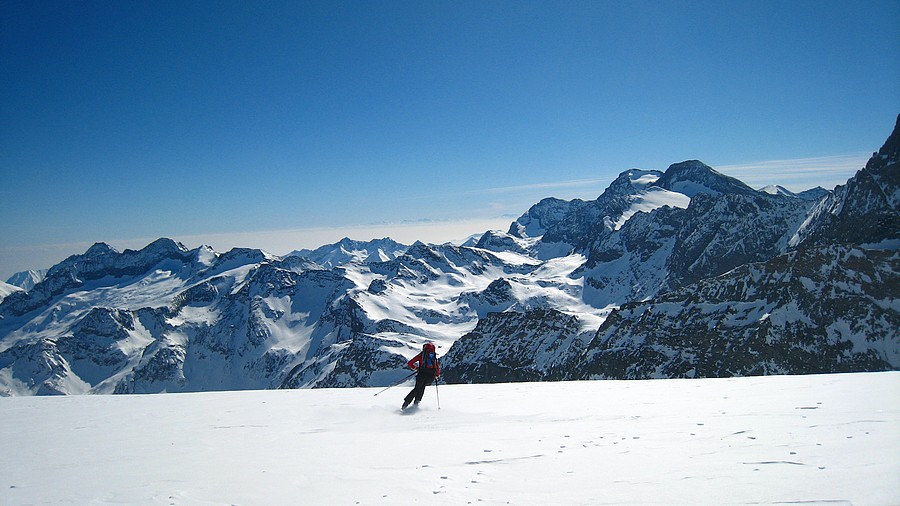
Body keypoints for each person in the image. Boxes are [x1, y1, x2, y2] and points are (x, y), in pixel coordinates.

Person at [402, 342, 441, 410]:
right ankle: (416, 403)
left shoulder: (422, 355)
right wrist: (437, 375)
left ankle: (406, 403)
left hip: (422, 374)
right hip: (430, 376)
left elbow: (410, 363)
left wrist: (416, 368)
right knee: (422, 387)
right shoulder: (433, 356)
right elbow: (437, 367)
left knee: (417, 388)